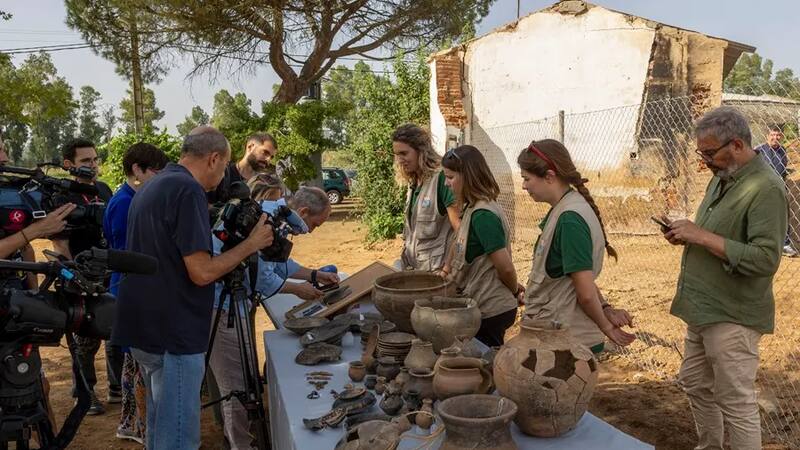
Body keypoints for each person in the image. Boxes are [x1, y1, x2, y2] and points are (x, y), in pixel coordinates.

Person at [111, 126, 274, 450]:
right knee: (179, 438)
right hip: (173, 333)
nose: (223, 177)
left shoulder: (152, 185)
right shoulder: (187, 191)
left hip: (144, 328)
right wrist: (251, 244)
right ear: (214, 159)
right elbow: (201, 272)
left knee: (160, 428)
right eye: (224, 166)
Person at [661, 107, 785, 450]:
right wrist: (686, 234)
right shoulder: (722, 177)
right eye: (701, 153)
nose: (704, 161)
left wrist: (700, 235)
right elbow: (716, 236)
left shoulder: (766, 188)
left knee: (736, 401)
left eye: (709, 153)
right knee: (695, 383)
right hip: (702, 306)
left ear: (737, 145)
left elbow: (765, 259)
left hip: (733, 313)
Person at [209, 186, 337, 450]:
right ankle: (241, 444)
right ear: (303, 211)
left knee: (243, 380)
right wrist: (298, 289)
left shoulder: (273, 215)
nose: (313, 231)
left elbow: (277, 262)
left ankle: (244, 439)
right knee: (235, 385)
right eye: (315, 224)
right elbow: (261, 278)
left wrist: (314, 275)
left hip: (233, 305)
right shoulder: (266, 220)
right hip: (222, 308)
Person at [517, 140, 635, 352]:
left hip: (565, 343)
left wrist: (607, 327)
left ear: (549, 176)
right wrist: (605, 308)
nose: (524, 186)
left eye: (527, 179)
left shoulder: (569, 220)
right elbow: (577, 275)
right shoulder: (564, 209)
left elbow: (586, 293)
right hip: (558, 336)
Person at [102, 142, 169, 444]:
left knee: (138, 366)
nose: (158, 177)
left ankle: (139, 425)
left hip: (136, 287)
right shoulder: (124, 203)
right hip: (130, 288)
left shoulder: (135, 198)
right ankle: (140, 427)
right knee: (138, 364)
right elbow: (127, 251)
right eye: (154, 170)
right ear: (136, 170)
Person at [50, 138, 116, 415]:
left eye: (95, 159)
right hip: (80, 275)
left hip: (109, 270)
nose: (93, 165)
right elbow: (60, 244)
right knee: (85, 339)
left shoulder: (104, 189)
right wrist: (74, 277)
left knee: (114, 329)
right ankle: (85, 394)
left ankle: (117, 387)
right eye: (86, 161)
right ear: (69, 164)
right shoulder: (61, 195)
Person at [440, 145, 519, 346]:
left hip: (491, 310)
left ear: (468, 177)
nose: (446, 183)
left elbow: (506, 268)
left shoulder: (484, 216)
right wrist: (445, 272)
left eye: (450, 177)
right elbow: (459, 242)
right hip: (479, 307)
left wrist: (514, 291)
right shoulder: (472, 207)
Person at [392, 124, 460, 272]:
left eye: (404, 153)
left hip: (437, 275)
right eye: (397, 154)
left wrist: (447, 269)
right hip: (415, 271)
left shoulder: (441, 179)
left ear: (421, 150)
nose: (400, 160)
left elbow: (460, 231)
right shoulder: (413, 181)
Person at [754, 124, 797, 257]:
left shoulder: (782, 150)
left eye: (778, 135)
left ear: (781, 136)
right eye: (772, 134)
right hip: (763, 186)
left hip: (779, 186)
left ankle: (784, 244)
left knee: (783, 213)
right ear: (767, 136)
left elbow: (783, 168)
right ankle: (760, 242)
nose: (775, 137)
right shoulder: (759, 150)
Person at [208, 132, 278, 204]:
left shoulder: (265, 183)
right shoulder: (222, 173)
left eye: (271, 157)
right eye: (265, 152)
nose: (268, 159)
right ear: (250, 147)